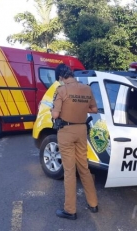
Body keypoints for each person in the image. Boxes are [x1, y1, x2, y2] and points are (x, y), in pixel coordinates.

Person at [51, 63, 98, 220]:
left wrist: (53, 109)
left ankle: (70, 210)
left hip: (67, 132)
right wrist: (79, 109)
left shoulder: (61, 90)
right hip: (81, 130)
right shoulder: (86, 88)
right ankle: (93, 203)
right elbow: (94, 109)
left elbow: (56, 115)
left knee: (70, 171)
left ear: (61, 77)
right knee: (84, 167)